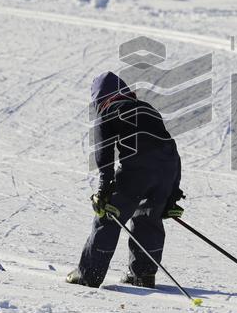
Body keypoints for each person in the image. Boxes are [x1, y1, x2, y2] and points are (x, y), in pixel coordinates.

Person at [67, 71, 184, 289]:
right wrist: (173, 193)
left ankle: (89, 275)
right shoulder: (148, 108)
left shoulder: (108, 110)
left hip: (139, 169)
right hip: (168, 168)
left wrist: (104, 189)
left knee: (109, 216)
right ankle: (144, 275)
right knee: (149, 218)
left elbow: (104, 152)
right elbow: (170, 147)